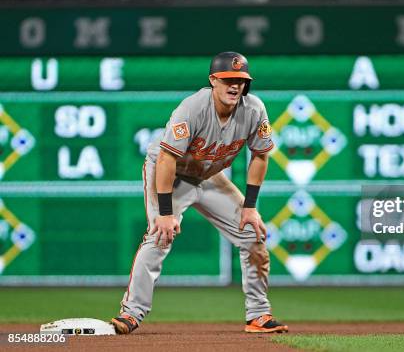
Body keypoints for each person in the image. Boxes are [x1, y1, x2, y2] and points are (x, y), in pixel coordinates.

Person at [111, 51, 288, 334]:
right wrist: (166, 214)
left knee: (253, 234)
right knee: (159, 235)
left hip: (208, 176)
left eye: (241, 80)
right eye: (228, 79)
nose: (235, 85)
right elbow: (168, 159)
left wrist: (250, 206)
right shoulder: (193, 107)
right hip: (170, 173)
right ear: (213, 80)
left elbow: (260, 156)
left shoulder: (254, 110)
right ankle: (131, 313)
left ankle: (258, 315)